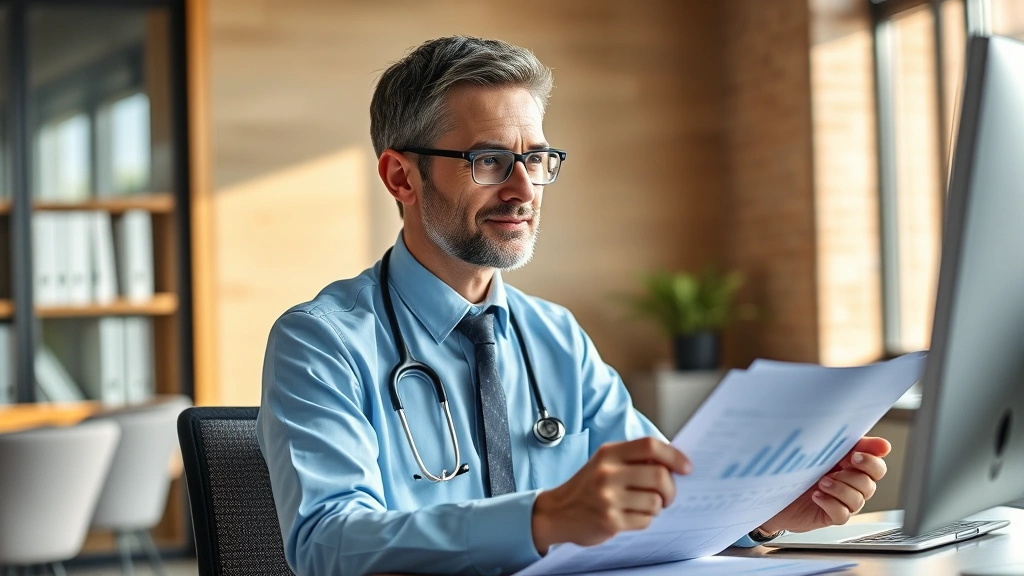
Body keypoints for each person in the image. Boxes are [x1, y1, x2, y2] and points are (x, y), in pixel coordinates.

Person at [257, 35, 892, 576]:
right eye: (489, 161)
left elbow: (667, 496)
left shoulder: (554, 335)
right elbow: (327, 543)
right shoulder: (321, 343)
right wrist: (543, 518)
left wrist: (766, 511)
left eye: (535, 158)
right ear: (401, 177)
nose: (524, 188)